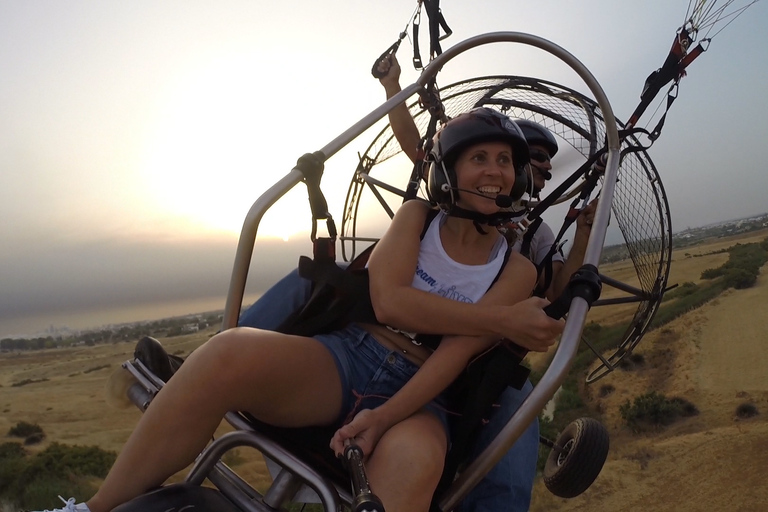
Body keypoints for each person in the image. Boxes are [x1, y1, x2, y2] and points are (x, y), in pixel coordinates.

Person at [38, 108, 564, 512]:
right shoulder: (416, 219)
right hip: (348, 356)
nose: (495, 172)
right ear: (450, 171)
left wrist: (383, 416)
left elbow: (453, 356)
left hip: (424, 395)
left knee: (419, 460)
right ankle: (95, 507)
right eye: (480, 158)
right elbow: (390, 301)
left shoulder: (515, 270)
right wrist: (502, 321)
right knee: (228, 352)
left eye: (504, 162)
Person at [373, 53, 596, 512]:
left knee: (509, 467)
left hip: (485, 360)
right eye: (529, 160)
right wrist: (393, 89)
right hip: (417, 334)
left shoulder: (535, 235)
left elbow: (558, 291)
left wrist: (586, 236)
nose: (531, 172)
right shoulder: (442, 210)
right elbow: (420, 148)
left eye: (533, 167)